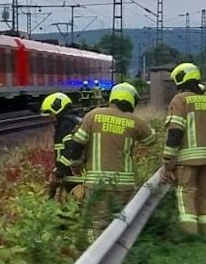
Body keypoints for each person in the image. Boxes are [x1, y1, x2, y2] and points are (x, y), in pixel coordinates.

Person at [63, 81, 155, 231]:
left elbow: (77, 144)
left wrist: (76, 165)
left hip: (97, 183)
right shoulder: (135, 121)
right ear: (132, 101)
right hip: (125, 185)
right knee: (122, 225)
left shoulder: (93, 115)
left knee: (97, 224)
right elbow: (151, 140)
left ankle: (97, 244)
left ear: (112, 98)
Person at [163, 62, 206, 235]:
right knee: (204, 195)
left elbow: (175, 132)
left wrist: (167, 160)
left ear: (181, 79)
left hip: (188, 159)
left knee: (186, 193)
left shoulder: (180, 100)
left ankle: (190, 234)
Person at [40, 91, 83, 198]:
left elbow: (71, 149)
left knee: (77, 197)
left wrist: (60, 170)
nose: (50, 118)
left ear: (57, 108)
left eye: (51, 113)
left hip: (73, 173)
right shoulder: (72, 121)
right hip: (75, 171)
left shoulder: (66, 125)